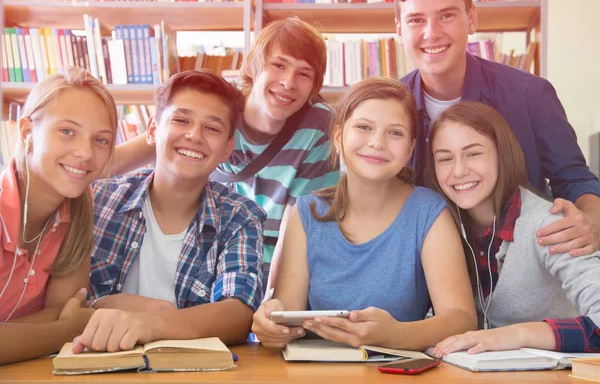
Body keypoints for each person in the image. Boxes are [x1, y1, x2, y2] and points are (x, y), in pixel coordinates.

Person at [393, 0, 600, 256]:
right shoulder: (389, 107)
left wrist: (590, 221)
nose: (431, 32)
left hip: (521, 265)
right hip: (425, 268)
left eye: (447, 15)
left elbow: (575, 178)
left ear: (472, 19)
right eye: (416, 20)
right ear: (399, 29)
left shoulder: (530, 94)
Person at [113, 18, 339, 289]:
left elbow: (300, 230)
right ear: (255, 65)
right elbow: (122, 157)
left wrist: (270, 303)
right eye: (278, 65)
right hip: (199, 265)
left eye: (304, 74)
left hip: (269, 276)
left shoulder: (317, 125)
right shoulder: (217, 110)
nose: (288, 82)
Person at [251, 77, 476, 350]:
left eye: (395, 133)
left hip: (398, 373)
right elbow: (287, 318)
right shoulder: (305, 213)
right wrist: (271, 324)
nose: (377, 142)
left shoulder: (429, 212)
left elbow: (461, 319)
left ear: (410, 150)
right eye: (364, 127)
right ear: (337, 137)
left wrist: (395, 335)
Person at [74, 70, 265, 353]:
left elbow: (238, 315)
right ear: (152, 130)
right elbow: (63, 300)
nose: (194, 135)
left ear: (226, 149)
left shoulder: (240, 216)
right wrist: (99, 305)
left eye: (212, 128)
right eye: (181, 120)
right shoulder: (99, 200)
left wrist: (150, 324)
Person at [425, 101, 600, 356]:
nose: (459, 170)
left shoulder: (549, 225)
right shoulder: (441, 227)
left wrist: (518, 334)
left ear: (502, 154)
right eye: (445, 158)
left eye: (473, 153)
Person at [0, 68, 118, 363]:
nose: (85, 153)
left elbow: (63, 308)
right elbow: (67, 321)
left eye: (101, 140)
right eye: (67, 131)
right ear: (27, 133)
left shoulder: (78, 210)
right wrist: (66, 329)